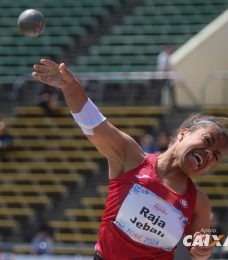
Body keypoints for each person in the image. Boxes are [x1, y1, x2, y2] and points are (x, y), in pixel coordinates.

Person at [32, 59, 228, 260]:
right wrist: (70, 87)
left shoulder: (199, 202)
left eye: (216, 156)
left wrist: (206, 245)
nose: (208, 153)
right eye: (207, 140)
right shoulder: (131, 157)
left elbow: (205, 240)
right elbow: (92, 123)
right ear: (183, 133)